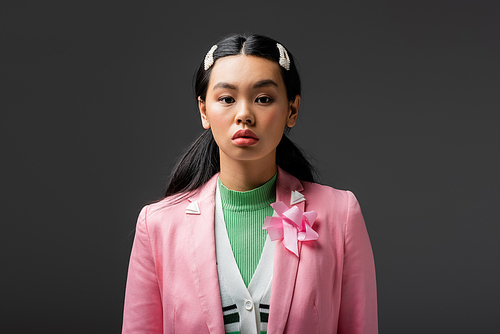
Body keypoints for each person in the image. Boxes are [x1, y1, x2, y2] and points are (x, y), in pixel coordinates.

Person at [122, 33, 377, 334]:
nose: (244, 114)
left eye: (263, 99)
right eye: (227, 99)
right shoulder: (157, 226)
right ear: (204, 109)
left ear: (292, 110)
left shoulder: (340, 214)